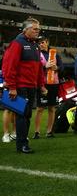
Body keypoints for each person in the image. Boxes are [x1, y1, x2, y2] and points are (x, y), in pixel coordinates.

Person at [2, 18, 47, 153]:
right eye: (35, 29)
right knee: (21, 115)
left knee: (27, 115)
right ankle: (22, 144)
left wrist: (42, 85)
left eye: (38, 29)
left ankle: (23, 142)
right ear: (25, 29)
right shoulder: (17, 44)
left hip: (31, 86)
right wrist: (12, 87)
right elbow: (9, 66)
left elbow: (39, 68)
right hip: (20, 86)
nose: (37, 31)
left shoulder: (35, 46)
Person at [34, 36, 63, 139]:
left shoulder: (55, 54)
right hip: (42, 84)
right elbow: (34, 68)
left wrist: (57, 68)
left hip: (54, 84)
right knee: (40, 108)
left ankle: (49, 131)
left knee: (52, 108)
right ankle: (37, 132)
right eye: (39, 43)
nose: (40, 44)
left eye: (42, 42)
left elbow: (62, 67)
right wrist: (44, 67)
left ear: (47, 42)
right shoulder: (37, 54)